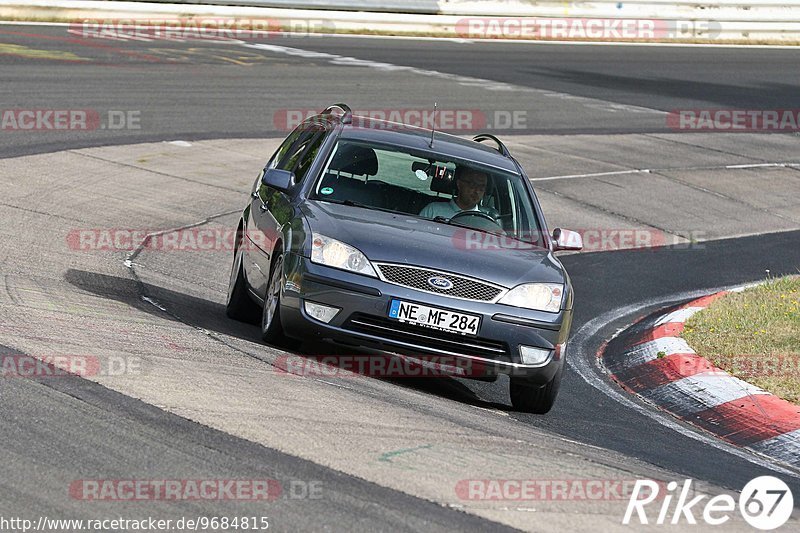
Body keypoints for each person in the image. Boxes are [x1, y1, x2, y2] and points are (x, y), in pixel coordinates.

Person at [419, 166, 489, 220]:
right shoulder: (433, 210)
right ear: (459, 184)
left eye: (481, 187)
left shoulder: (484, 221)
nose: (477, 191)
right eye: (472, 184)